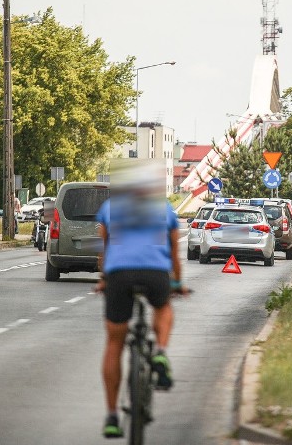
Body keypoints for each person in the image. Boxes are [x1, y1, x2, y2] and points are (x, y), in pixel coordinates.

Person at [95, 160, 188, 439]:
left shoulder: (110, 208)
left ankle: (112, 416)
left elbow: (104, 248)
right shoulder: (164, 208)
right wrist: (177, 283)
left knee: (114, 342)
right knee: (163, 306)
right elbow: (173, 250)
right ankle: (159, 352)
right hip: (155, 273)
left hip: (119, 275)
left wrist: (104, 279)